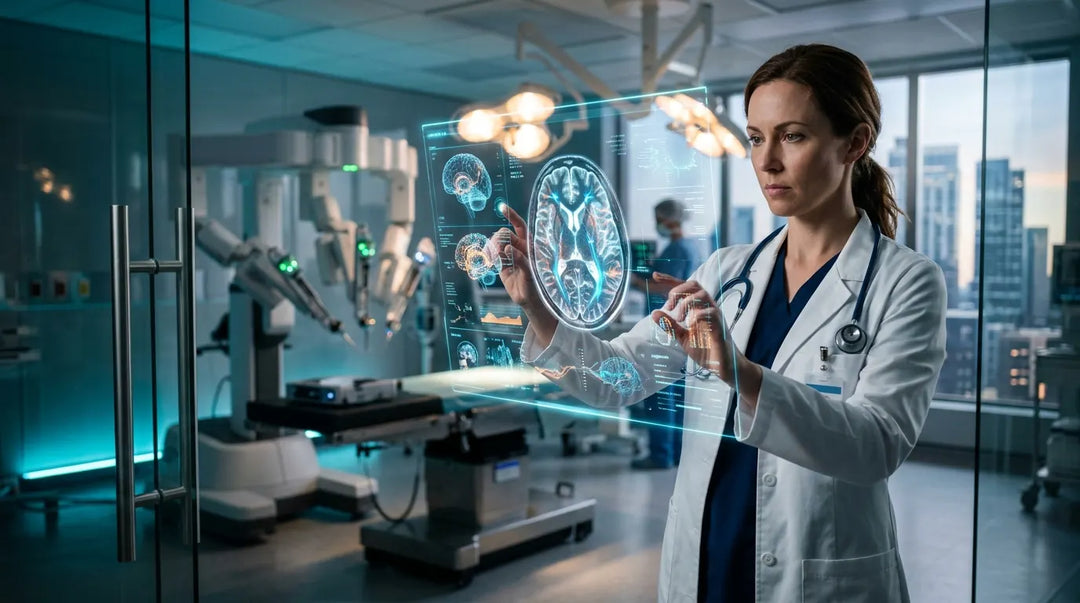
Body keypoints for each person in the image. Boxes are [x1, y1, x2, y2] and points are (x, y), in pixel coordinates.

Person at [492, 43, 946, 602]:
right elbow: (621, 377)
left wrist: (738, 372)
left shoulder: (906, 282)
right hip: (708, 560)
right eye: (756, 137)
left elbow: (876, 446)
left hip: (815, 574)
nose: (766, 160)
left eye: (793, 136)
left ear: (855, 142)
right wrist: (536, 304)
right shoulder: (727, 272)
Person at [627, 198, 700, 470]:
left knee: (660, 397)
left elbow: (668, 288)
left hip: (666, 333)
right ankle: (676, 454)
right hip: (681, 333)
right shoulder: (691, 247)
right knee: (677, 399)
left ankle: (660, 454)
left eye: (659, 218)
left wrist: (634, 281)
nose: (657, 224)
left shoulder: (679, 248)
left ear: (669, 220)